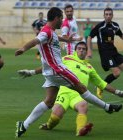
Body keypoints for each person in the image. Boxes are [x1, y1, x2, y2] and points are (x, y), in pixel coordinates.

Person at [15, 7, 122, 138]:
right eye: (61, 18)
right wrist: (23, 48)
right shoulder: (46, 32)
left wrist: (67, 40)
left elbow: (54, 37)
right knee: (81, 88)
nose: (63, 21)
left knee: (49, 102)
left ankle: (24, 125)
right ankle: (107, 107)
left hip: (49, 73)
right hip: (57, 70)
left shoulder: (51, 31)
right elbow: (36, 40)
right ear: (56, 18)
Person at [87, 7, 123, 99]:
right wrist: (89, 50)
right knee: (117, 73)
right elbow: (89, 37)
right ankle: (101, 86)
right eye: (106, 14)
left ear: (112, 15)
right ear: (104, 15)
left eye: (110, 14)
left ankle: (101, 86)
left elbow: (120, 35)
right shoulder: (100, 26)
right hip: (105, 54)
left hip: (114, 52)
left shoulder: (115, 26)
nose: (108, 16)